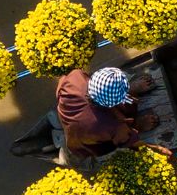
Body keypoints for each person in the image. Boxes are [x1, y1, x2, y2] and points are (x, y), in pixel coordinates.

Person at [13, 66, 165, 169]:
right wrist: (154, 148)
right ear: (113, 102)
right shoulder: (110, 125)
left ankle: (131, 89)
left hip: (69, 119)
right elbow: (127, 139)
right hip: (83, 147)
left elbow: (62, 84)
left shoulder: (75, 80)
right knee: (109, 151)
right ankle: (138, 120)